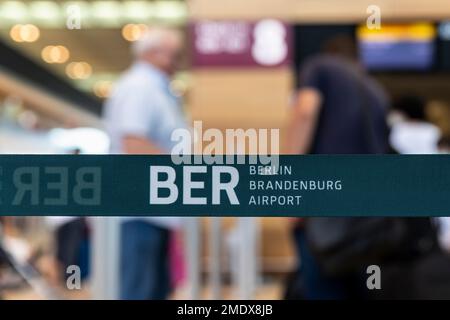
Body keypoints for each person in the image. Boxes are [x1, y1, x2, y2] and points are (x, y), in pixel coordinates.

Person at [285, 35, 390, 299]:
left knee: (321, 283)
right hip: (371, 211)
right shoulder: (376, 90)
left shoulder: (319, 66)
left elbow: (305, 112)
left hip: (326, 200)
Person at [103, 26, 186, 300]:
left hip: (156, 209)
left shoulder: (159, 90)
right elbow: (134, 143)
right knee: (139, 289)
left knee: (155, 288)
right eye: (172, 53)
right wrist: (184, 171)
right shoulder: (139, 87)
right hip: (139, 211)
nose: (177, 59)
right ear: (151, 53)